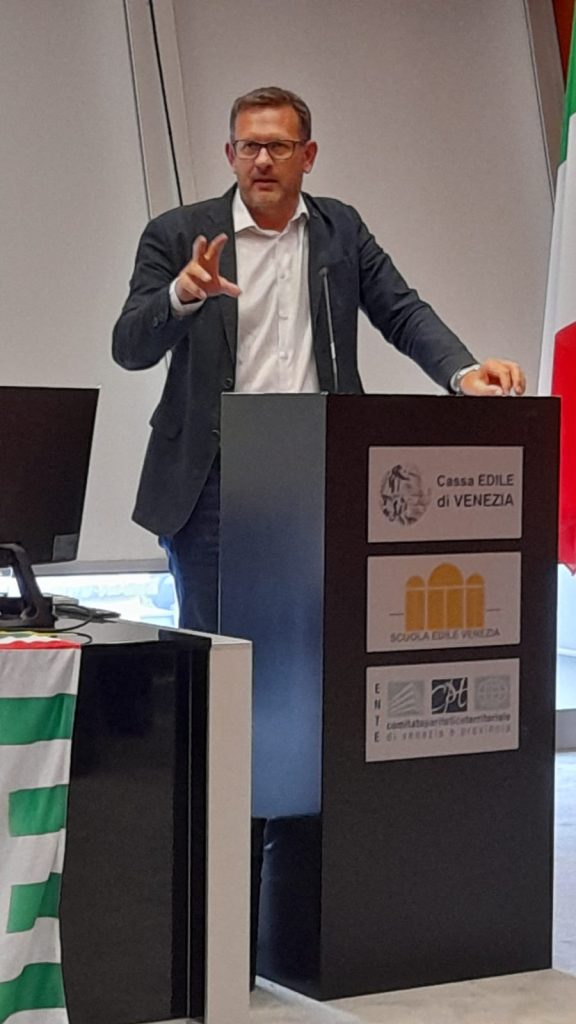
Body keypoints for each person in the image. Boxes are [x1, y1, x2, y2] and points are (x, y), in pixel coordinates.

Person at [113, 86, 526, 632]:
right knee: (216, 648)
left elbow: (401, 312)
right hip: (213, 478)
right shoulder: (178, 234)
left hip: (321, 469)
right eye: (249, 146)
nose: (262, 160)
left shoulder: (340, 231)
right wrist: (180, 296)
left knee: (322, 639)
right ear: (230, 154)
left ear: (307, 156)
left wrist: (464, 372)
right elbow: (129, 348)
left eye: (279, 147)